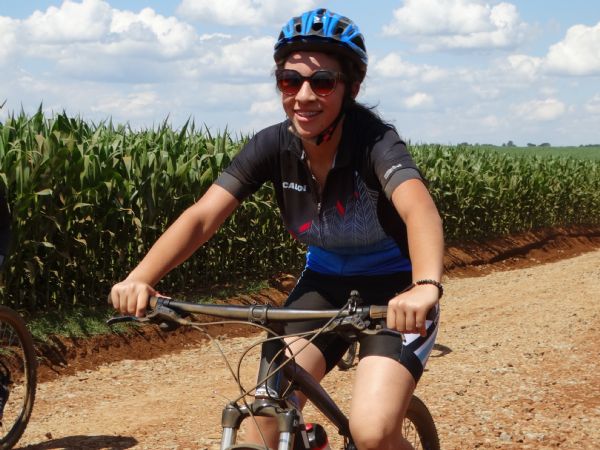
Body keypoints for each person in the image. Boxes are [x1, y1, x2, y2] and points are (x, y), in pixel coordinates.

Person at [110, 8, 444, 450]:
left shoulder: (375, 142)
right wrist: (141, 278)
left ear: (352, 87)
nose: (303, 96)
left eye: (322, 82)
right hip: (323, 285)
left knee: (372, 432)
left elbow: (420, 210)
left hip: (394, 293)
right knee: (264, 424)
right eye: (290, 81)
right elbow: (203, 216)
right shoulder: (273, 144)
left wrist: (424, 286)